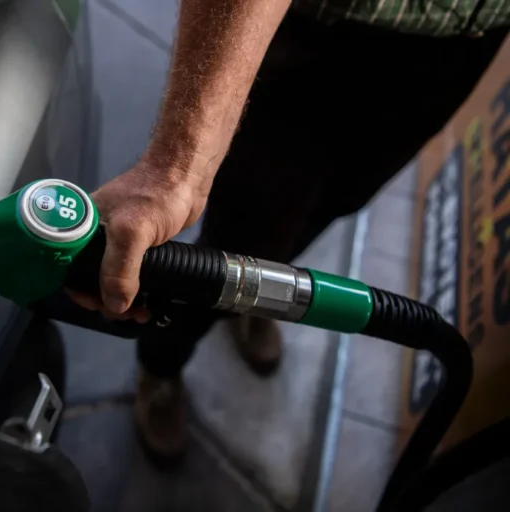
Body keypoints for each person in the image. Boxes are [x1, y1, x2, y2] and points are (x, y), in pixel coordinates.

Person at [70, 0, 510, 462]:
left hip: (466, 41)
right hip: (336, 29)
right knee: (243, 233)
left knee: (338, 202)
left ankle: (258, 290)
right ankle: (162, 360)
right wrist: (175, 166)